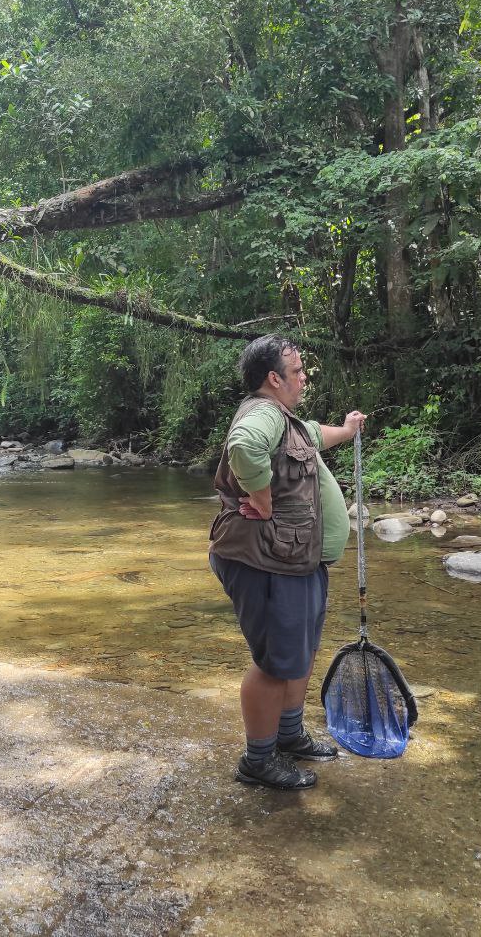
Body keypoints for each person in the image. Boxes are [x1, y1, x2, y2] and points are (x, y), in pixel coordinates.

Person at [208, 335, 364, 790]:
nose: (303, 378)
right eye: (296, 372)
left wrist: (348, 429)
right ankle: (258, 760)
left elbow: (318, 435)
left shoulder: (287, 420)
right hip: (266, 562)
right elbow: (243, 446)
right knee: (275, 663)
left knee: (298, 655)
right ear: (274, 379)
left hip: (296, 562)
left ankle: (289, 735)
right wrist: (261, 497)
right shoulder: (262, 414)